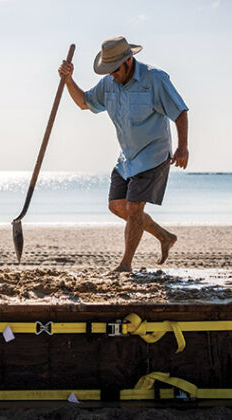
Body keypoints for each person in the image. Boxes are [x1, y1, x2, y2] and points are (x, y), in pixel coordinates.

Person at [58, 36, 189, 272]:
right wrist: (68, 80)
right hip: (127, 157)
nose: (110, 74)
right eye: (106, 70)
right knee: (117, 206)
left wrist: (182, 147)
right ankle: (165, 236)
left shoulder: (155, 79)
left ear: (128, 61)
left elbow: (179, 111)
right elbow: (84, 103)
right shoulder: (109, 84)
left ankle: (125, 265)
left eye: (114, 69)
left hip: (153, 154)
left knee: (134, 208)